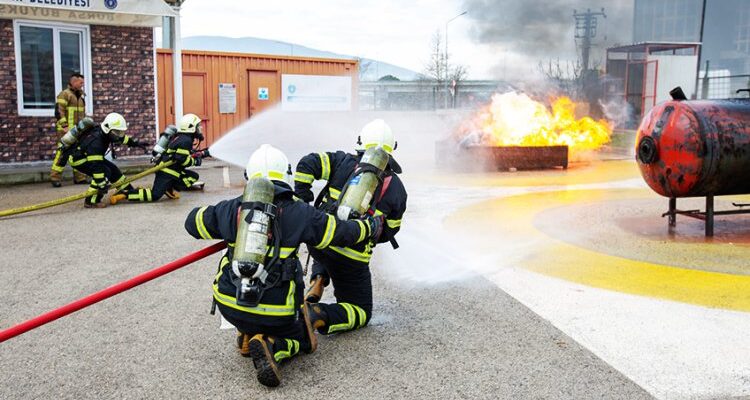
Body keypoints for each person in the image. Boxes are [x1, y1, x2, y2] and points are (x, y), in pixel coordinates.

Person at [184, 144, 383, 387]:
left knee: (245, 308)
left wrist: (230, 218)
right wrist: (369, 227)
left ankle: (246, 333)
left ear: (249, 176)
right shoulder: (301, 213)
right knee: (304, 339)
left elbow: (192, 223)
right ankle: (271, 345)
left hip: (230, 305)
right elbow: (341, 233)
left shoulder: (231, 208)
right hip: (276, 315)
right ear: (286, 175)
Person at [293, 119, 407, 336]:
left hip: (320, 242)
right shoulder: (397, 188)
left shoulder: (341, 161)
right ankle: (315, 313)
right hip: (351, 259)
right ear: (392, 149)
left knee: (328, 248)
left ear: (361, 143)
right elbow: (390, 230)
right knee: (361, 311)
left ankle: (318, 279)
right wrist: (368, 232)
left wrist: (302, 199)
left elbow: (307, 163)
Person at [110, 113, 209, 205]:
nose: (200, 128)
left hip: (172, 172)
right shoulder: (185, 140)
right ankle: (125, 194)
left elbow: (184, 154)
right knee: (155, 195)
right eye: (197, 126)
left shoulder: (183, 138)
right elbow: (182, 159)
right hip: (166, 172)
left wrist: (202, 154)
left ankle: (168, 188)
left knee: (193, 176)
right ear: (191, 128)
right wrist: (195, 161)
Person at [67, 113, 145, 208]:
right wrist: (101, 183)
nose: (119, 135)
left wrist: (134, 143)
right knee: (104, 173)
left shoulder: (106, 133)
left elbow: (121, 138)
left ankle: (127, 190)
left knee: (113, 169)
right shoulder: (96, 142)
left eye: (120, 132)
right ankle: (91, 201)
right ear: (108, 129)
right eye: (117, 132)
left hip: (91, 156)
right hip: (79, 159)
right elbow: (96, 166)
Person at [51, 73, 88, 187]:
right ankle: (55, 177)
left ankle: (80, 178)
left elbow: (82, 115)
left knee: (79, 153)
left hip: (78, 131)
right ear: (73, 82)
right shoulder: (65, 94)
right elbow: (59, 111)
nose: (82, 85)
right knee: (63, 153)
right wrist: (64, 126)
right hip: (66, 130)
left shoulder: (80, 97)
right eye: (80, 82)